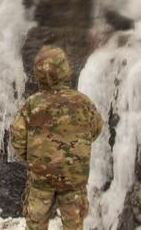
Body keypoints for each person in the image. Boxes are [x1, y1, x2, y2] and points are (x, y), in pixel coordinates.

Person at [10, 46, 104, 230]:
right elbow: (96, 128)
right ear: (65, 70)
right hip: (74, 177)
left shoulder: (32, 104)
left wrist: (32, 158)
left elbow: (18, 136)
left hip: (41, 177)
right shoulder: (82, 102)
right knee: (74, 223)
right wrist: (79, 147)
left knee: (36, 223)